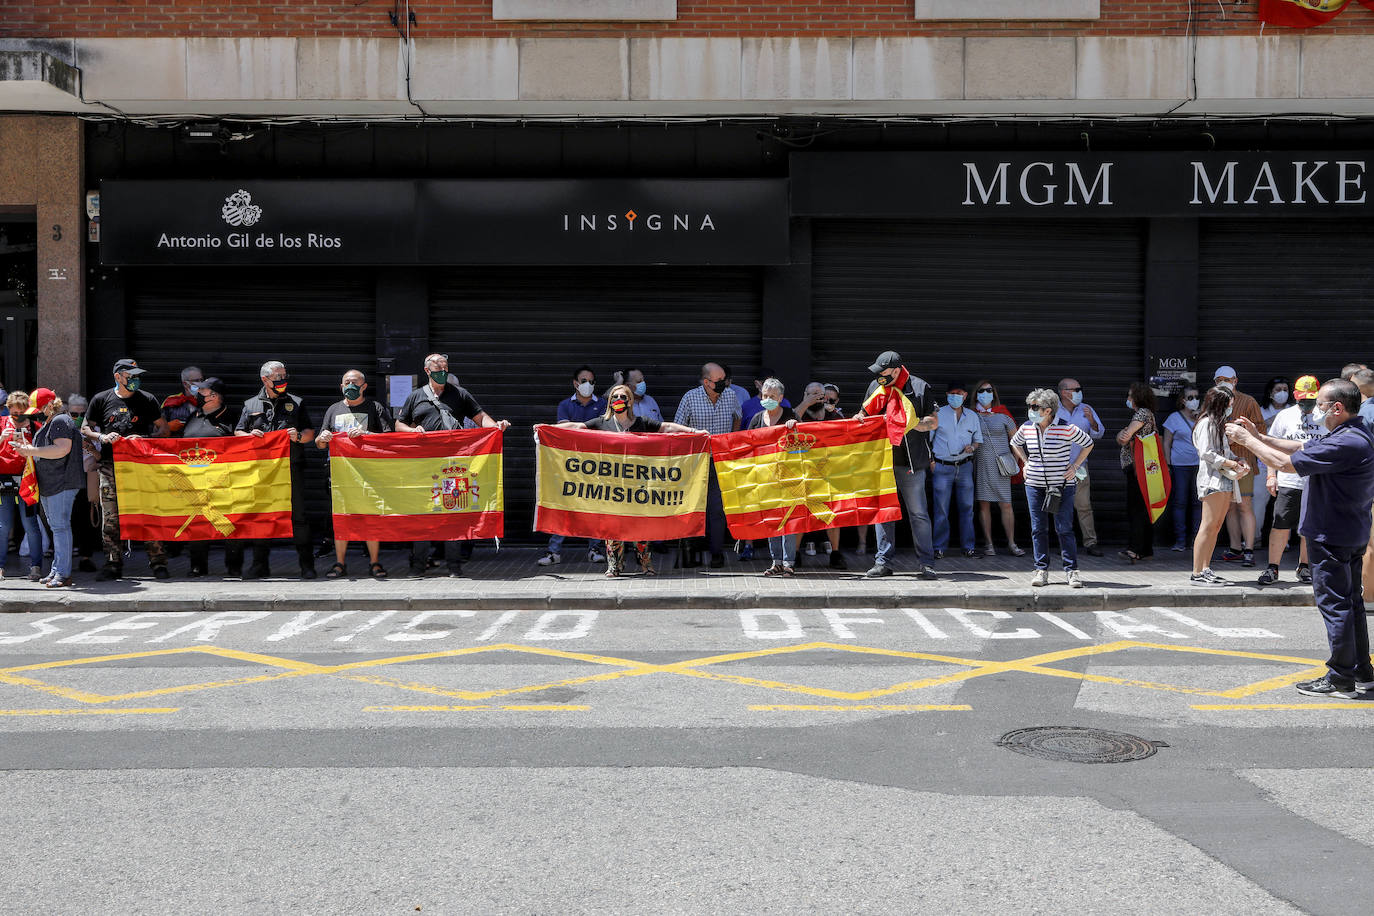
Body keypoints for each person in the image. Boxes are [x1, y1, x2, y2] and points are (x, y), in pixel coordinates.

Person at [1226, 379, 1374, 698]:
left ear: (1337, 408)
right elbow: (1300, 448)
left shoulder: (1347, 442)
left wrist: (1245, 441)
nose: (1314, 409)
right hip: (1346, 530)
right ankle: (1361, 669)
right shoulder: (1353, 433)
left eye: (1319, 403)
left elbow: (1284, 463)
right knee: (1351, 604)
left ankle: (1340, 678)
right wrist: (1260, 436)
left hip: (1331, 533)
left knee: (1336, 606)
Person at [556, 383, 696, 577]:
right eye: (614, 397)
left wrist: (693, 433)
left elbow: (666, 427)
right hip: (612, 487)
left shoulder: (641, 422)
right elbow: (577, 426)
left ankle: (646, 564)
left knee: (641, 527)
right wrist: (549, 428)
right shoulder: (601, 422)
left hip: (638, 487)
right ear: (610, 402)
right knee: (613, 527)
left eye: (622, 397)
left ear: (630, 401)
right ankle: (615, 565)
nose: (618, 400)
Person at [395, 353, 511, 578]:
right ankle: (418, 566)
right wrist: (412, 431)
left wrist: (496, 426)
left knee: (453, 512)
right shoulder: (416, 396)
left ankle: (454, 567)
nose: (443, 373)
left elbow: (480, 417)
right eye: (438, 369)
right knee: (422, 514)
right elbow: (399, 424)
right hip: (424, 464)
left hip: (453, 464)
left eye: (446, 369)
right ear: (427, 371)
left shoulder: (460, 394)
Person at [83, 358, 170, 580]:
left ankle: (158, 562)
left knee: (148, 513)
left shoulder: (148, 399)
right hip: (109, 466)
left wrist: (143, 438)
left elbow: (164, 430)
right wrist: (102, 436)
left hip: (141, 467)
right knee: (110, 518)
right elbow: (85, 427)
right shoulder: (101, 399)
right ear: (118, 377)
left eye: (137, 376)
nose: (136, 380)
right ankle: (113, 564)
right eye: (131, 376)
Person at [858, 351, 939, 580]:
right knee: (883, 513)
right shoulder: (876, 387)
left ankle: (926, 563)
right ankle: (882, 562)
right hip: (882, 463)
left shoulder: (920, 387)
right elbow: (863, 415)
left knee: (918, 513)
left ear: (896, 370)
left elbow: (933, 422)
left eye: (883, 373)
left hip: (911, 463)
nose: (878, 377)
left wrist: (906, 424)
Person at [235, 360, 317, 580]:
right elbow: (238, 433)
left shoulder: (296, 402)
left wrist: (298, 437)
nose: (283, 380)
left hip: (291, 468)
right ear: (265, 379)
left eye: (284, 375)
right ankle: (259, 565)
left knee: (298, 516)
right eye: (278, 377)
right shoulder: (251, 404)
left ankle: (307, 565)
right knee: (262, 516)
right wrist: (249, 436)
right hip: (261, 472)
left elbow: (310, 432)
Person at [1010, 388, 1093, 588]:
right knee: (1038, 528)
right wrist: (1026, 462)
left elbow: (1088, 443)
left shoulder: (1066, 428)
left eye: (1034, 407)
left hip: (1061, 486)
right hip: (1034, 485)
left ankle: (1072, 571)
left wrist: (1075, 466)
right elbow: (1015, 442)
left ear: (1048, 410)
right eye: (1030, 406)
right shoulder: (1027, 427)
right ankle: (1041, 570)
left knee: (1064, 528)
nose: (1030, 410)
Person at [317, 369, 394, 581]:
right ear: (341, 386)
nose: (350, 385)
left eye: (355, 382)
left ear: (364, 386)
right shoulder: (333, 409)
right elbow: (320, 443)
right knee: (342, 519)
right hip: (340, 474)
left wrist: (366, 435)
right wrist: (322, 438)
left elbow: (388, 439)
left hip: (368, 473)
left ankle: (374, 562)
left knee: (370, 517)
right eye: (346, 382)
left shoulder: (375, 407)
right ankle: (340, 563)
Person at [169, 377, 241, 578]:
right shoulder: (194, 416)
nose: (197, 395)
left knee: (229, 523)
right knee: (197, 523)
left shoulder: (232, 416)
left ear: (214, 396)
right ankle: (197, 566)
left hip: (224, 480)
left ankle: (233, 567)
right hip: (195, 480)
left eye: (202, 392)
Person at [1257, 375, 1324, 587]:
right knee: (1281, 523)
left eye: (1311, 399)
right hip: (1289, 479)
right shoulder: (1284, 416)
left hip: (1317, 480)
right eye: (1303, 399)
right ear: (1295, 396)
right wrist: (1270, 475)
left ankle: (1304, 566)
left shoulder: (1326, 416)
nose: (1307, 403)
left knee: (1310, 526)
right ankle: (1272, 567)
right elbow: (1271, 448)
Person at [13, 389, 83, 588]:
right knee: (58, 528)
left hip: (60, 482)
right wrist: (28, 448)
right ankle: (57, 570)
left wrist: (30, 450)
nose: (38, 412)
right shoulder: (54, 421)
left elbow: (62, 449)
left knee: (60, 527)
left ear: (50, 405)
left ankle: (62, 573)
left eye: (40, 408)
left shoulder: (60, 421)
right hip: (53, 483)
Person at [674, 362, 741, 568]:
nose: (723, 384)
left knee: (717, 508)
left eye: (724, 380)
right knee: (693, 506)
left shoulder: (729, 395)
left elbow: (737, 417)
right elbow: (678, 427)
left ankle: (717, 553)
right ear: (706, 382)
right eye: (718, 381)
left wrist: (732, 440)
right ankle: (690, 552)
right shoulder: (690, 397)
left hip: (720, 460)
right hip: (696, 461)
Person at [538, 366, 606, 567]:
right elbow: (564, 433)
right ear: (575, 383)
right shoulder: (565, 405)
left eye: (592, 382)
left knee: (595, 505)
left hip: (595, 464)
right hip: (569, 464)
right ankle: (554, 552)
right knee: (563, 506)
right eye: (585, 381)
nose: (589, 385)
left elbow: (602, 430)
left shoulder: (603, 404)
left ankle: (595, 549)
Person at [1189, 386, 1246, 587]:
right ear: (1220, 404)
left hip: (1224, 480)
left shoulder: (1218, 423)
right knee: (1208, 525)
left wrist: (1237, 459)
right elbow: (1207, 453)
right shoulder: (1206, 423)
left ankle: (1205, 568)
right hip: (1212, 480)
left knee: (1215, 526)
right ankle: (1197, 572)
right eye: (1229, 404)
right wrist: (1231, 464)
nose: (1231, 407)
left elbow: (1224, 451)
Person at [747, 378, 802, 576]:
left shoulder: (790, 415)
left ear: (781, 398)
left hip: (789, 478)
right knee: (773, 521)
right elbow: (748, 446)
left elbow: (803, 444)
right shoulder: (756, 419)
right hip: (766, 478)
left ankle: (789, 562)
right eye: (765, 396)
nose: (767, 399)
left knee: (788, 520)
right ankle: (776, 561)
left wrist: (795, 427)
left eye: (772, 396)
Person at [1212, 366, 1265, 568]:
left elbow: (1260, 428)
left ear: (1235, 380)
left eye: (1227, 379)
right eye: (1219, 379)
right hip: (1221, 459)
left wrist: (1241, 432)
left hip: (1243, 460)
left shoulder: (1248, 401)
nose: (1223, 382)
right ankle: (1235, 548)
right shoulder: (1212, 401)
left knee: (1244, 505)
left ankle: (1249, 549)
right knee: (1228, 507)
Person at [791, 380, 847, 569]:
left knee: (831, 514)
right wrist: (807, 402)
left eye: (819, 394)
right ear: (805, 394)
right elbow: (788, 423)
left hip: (828, 473)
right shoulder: (798, 414)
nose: (816, 397)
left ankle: (836, 553)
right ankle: (795, 553)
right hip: (802, 472)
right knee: (800, 513)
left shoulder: (833, 415)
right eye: (811, 394)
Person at [971, 379, 1023, 558]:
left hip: (1001, 467)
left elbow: (1016, 441)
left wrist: (1014, 463)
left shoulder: (1003, 415)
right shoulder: (971, 415)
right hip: (981, 466)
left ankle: (1011, 543)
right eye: (981, 390)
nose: (985, 394)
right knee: (984, 505)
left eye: (989, 390)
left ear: (994, 393)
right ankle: (989, 544)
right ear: (975, 394)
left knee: (1006, 505)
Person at [930, 381, 983, 560]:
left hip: (965, 466)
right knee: (941, 510)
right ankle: (938, 547)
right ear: (947, 395)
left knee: (968, 508)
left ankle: (968, 547)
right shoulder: (938, 414)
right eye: (952, 393)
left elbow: (977, 440)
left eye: (959, 393)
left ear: (965, 396)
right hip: (942, 466)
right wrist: (931, 461)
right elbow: (929, 440)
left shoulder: (972, 416)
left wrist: (973, 448)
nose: (955, 396)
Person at [1055, 377, 1105, 557]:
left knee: (1083, 505)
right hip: (1056, 468)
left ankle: (1091, 542)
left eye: (1079, 389)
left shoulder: (1087, 409)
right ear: (1063, 392)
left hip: (1079, 467)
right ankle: (1062, 543)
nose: (1079, 392)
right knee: (1056, 505)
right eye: (1075, 389)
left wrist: (1091, 421)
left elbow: (1099, 433)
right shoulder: (1053, 410)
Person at [0, 391, 44, 580]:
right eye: (14, 412)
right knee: (3, 525)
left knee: (30, 523)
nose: (18, 416)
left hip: (28, 479)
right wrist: (2, 438)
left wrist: (28, 444)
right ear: (8, 409)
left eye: (22, 412)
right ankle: (0, 566)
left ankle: (36, 566)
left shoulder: (35, 427)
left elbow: (44, 453)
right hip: (4, 479)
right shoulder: (1, 424)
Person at [1115, 382, 1159, 564]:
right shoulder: (1149, 414)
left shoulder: (1141, 414)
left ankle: (1134, 549)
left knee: (1136, 509)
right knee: (1143, 508)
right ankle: (1146, 549)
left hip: (1137, 468)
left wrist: (1120, 434)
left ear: (1136, 398)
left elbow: (1124, 437)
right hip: (1142, 468)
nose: (1128, 399)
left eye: (1130, 395)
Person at [1160, 385, 1202, 552]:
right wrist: (1168, 464)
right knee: (1179, 502)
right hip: (1180, 465)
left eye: (1196, 397)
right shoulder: (1173, 418)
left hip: (1199, 465)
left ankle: (1196, 540)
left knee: (1198, 503)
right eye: (1190, 397)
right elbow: (1167, 442)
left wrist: (1199, 419)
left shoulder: (1202, 418)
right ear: (1182, 400)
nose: (1194, 400)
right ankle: (1180, 540)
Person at [1253, 376, 1291, 548]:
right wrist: (1265, 423)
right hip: (1263, 462)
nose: (1282, 393)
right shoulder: (1260, 412)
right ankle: (1254, 537)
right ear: (1270, 393)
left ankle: (1285, 541)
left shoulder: (1293, 411)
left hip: (1287, 463)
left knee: (1287, 501)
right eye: (1278, 390)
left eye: (1285, 390)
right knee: (1259, 500)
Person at [64, 394, 100, 572]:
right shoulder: (61, 428)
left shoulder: (95, 430)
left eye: (82, 413)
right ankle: (65, 557)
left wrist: (91, 449)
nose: (78, 417)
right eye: (73, 414)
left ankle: (86, 557)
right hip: (67, 479)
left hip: (87, 478)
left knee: (87, 518)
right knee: (66, 518)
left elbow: (101, 456)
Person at [161, 366, 205, 435]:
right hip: (177, 443)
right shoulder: (171, 400)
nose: (200, 383)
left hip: (201, 443)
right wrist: (167, 427)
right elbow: (156, 429)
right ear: (185, 384)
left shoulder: (209, 400)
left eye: (201, 380)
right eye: (196, 381)